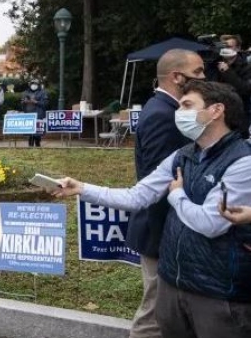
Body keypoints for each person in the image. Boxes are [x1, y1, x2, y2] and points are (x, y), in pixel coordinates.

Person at [54, 80, 251, 338]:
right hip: (173, 283)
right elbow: (137, 196)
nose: (179, 113)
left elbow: (210, 224)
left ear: (216, 111)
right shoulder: (183, 154)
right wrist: (81, 188)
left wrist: (177, 195)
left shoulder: (242, 161)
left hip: (218, 294)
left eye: (187, 105)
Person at [124, 48, 205, 338]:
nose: (204, 78)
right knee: (154, 315)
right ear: (176, 76)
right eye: (198, 72)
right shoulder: (163, 114)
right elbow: (156, 182)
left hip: (165, 230)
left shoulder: (165, 109)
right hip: (160, 230)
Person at [213, 34, 251, 119]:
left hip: (239, 113)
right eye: (223, 46)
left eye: (229, 46)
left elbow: (246, 90)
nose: (225, 49)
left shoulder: (247, 66)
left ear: (238, 48)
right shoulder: (214, 63)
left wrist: (227, 72)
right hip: (217, 112)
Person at [21, 78, 48, 147]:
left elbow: (45, 104)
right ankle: (30, 145)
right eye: (32, 84)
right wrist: (24, 102)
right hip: (28, 114)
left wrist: (36, 102)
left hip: (38, 115)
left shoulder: (42, 92)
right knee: (29, 133)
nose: (33, 85)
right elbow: (22, 103)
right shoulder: (26, 92)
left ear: (38, 85)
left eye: (35, 84)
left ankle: (38, 144)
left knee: (37, 133)